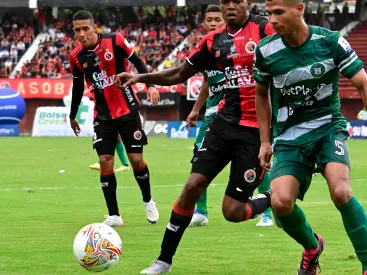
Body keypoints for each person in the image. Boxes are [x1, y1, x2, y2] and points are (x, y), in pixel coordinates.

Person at [116, 0, 276, 273]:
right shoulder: (213, 41)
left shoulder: (266, 29)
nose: (231, 6)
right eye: (226, 2)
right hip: (223, 124)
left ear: (248, 3)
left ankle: (275, 196)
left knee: (233, 212)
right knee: (192, 185)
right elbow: (180, 73)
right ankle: (163, 261)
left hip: (256, 131)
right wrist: (140, 77)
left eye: (237, 1)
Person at [253, 0, 367, 274]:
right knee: (281, 204)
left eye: (279, 12)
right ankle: (312, 246)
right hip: (289, 136)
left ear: (299, 8)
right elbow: (261, 94)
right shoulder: (265, 50)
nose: (272, 20)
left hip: (328, 128)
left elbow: (364, 84)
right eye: (269, 14)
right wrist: (265, 141)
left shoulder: (330, 42)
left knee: (341, 191)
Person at [68, 10, 160, 227]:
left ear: (94, 28)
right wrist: (72, 115)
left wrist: (151, 85)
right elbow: (77, 86)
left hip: (127, 108)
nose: (82, 34)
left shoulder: (115, 40)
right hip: (103, 115)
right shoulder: (76, 56)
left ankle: (148, 201)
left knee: (136, 160)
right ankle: (114, 215)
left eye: (85, 29)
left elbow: (138, 62)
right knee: (104, 162)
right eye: (77, 30)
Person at [185, 5, 273, 228]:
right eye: (209, 19)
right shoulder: (211, 45)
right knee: (198, 161)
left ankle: (267, 209)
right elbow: (206, 81)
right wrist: (196, 109)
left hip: (239, 115)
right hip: (213, 116)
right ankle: (201, 211)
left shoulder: (238, 42)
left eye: (216, 19)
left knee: (255, 163)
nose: (213, 23)